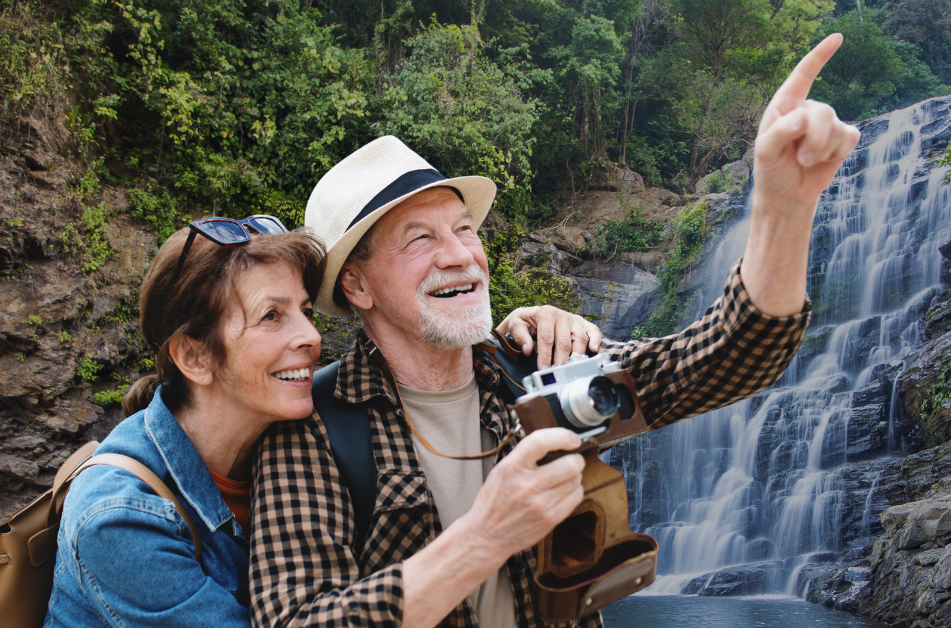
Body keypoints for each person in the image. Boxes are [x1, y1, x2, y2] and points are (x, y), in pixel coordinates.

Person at [248, 33, 860, 628]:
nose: (461, 255)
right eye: (421, 240)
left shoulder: (536, 368)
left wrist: (783, 209)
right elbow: (299, 618)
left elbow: (731, 356)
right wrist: (486, 536)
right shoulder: (311, 431)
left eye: (465, 229)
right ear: (357, 286)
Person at [41, 214, 596, 628]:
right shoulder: (121, 519)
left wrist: (506, 340)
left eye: (305, 310)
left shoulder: (281, 443)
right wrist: (487, 536)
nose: (309, 337)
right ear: (194, 357)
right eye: (271, 317)